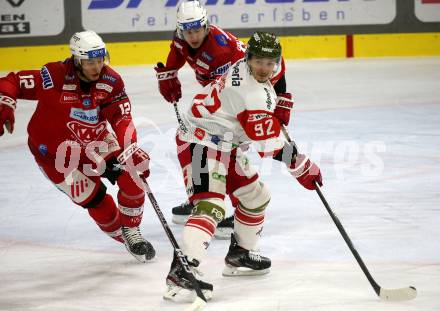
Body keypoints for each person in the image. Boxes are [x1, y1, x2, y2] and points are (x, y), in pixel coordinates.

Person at [162, 31, 322, 302]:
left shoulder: (258, 69)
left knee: (256, 196)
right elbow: (269, 147)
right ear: (247, 59)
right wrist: (303, 166)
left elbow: (279, 76)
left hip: (227, 141)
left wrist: (282, 97)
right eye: (258, 62)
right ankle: (182, 270)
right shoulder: (252, 95)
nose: (264, 68)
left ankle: (240, 255)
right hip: (199, 140)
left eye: (270, 62)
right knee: (210, 206)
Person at [0, 30, 155, 263]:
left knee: (133, 174)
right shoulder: (53, 76)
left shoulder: (111, 81)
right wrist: (6, 102)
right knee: (96, 201)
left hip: (96, 142)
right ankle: (122, 236)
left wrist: (128, 147)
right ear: (76, 60)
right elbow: (11, 81)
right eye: (89, 62)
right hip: (56, 156)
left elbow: (121, 119)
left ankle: (132, 231)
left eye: (100, 60)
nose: (96, 67)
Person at [155, 0, 294, 238]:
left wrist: (281, 98)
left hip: (238, 101)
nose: (193, 36)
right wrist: (169, 72)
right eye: (188, 31)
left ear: (206, 25)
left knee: (226, 149)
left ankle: (233, 207)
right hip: (217, 97)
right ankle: (203, 194)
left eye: (197, 30)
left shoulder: (222, 50)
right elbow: (178, 50)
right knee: (209, 153)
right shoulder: (182, 37)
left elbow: (267, 71)